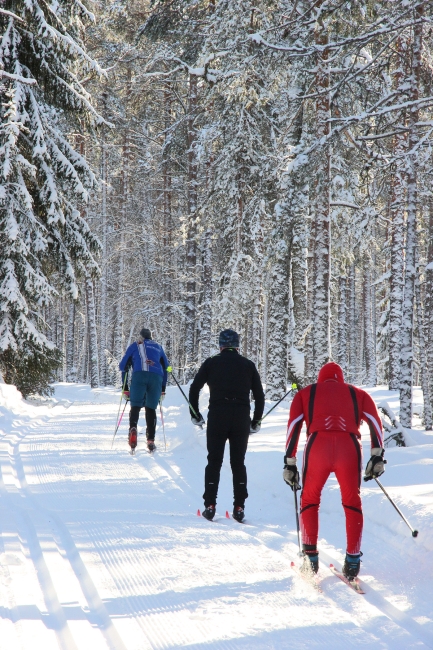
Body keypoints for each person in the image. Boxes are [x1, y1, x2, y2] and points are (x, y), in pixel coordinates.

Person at [283, 361, 385, 580]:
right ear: (341, 378)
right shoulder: (358, 393)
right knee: (352, 502)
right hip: (349, 446)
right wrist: (377, 454)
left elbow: (294, 425)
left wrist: (289, 462)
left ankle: (310, 558)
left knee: (309, 500)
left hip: (317, 445)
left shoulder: (305, 393)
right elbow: (375, 422)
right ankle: (353, 560)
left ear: (320, 378)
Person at [189, 329, 265, 522]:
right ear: (237, 346)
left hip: (218, 415)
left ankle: (210, 505)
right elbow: (259, 396)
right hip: (240, 417)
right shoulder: (248, 365)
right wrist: (256, 421)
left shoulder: (212, 362)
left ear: (220, 345)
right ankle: (239, 507)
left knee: (214, 461)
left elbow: (194, 388)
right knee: (238, 462)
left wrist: (195, 414)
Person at [119, 328, 169, 452]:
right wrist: (163, 388)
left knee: (135, 405)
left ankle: (133, 429)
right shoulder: (158, 347)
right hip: (157, 378)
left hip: (139, 375)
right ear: (151, 337)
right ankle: (150, 440)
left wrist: (125, 388)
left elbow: (122, 366)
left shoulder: (136, 345)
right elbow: (167, 368)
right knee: (151, 408)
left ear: (141, 337)